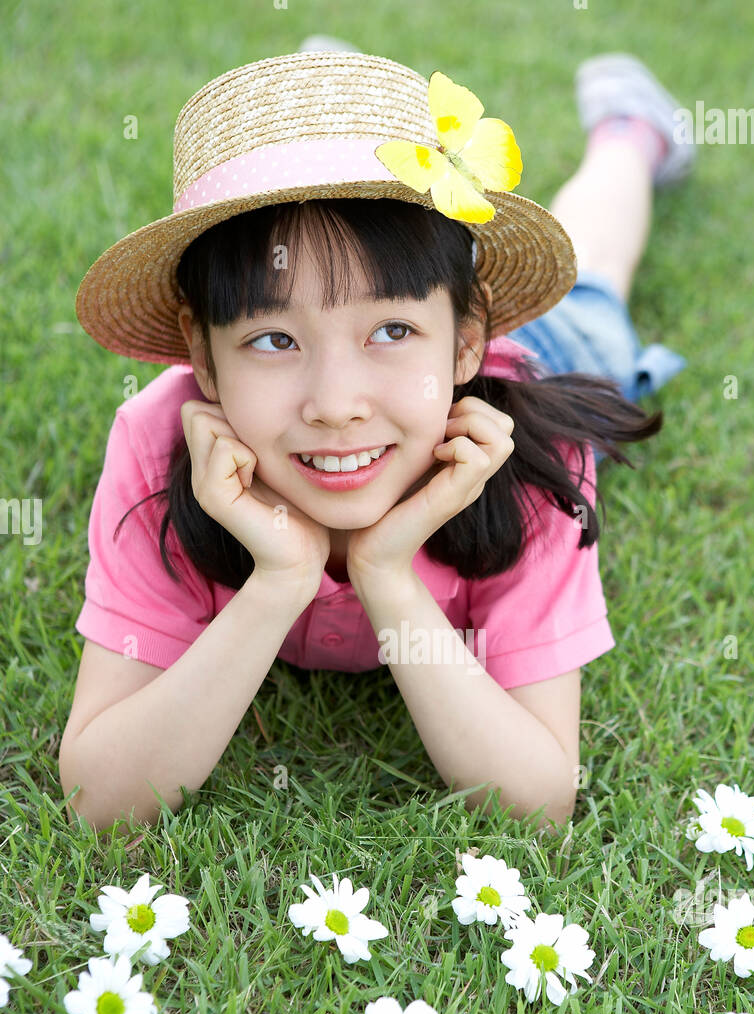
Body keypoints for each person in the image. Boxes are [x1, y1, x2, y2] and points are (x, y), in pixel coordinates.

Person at [60, 47, 692, 834]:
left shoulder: (523, 461)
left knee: (596, 282)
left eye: (390, 328)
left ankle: (630, 134)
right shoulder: (159, 446)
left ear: (465, 338)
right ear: (200, 355)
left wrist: (387, 573)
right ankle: (321, 91)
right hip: (422, 390)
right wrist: (279, 580)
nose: (335, 405)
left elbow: (535, 802)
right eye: (272, 340)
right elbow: (101, 801)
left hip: (521, 372)